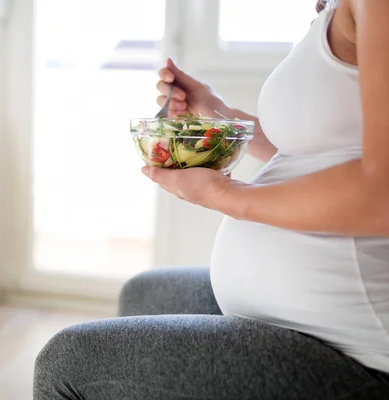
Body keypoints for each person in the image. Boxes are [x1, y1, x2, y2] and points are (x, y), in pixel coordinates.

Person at [33, 0, 389, 398]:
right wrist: (215, 110)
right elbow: (318, 154)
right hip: (307, 316)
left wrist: (225, 195)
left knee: (65, 363)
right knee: (143, 294)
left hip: (359, 353)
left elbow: (381, 195)